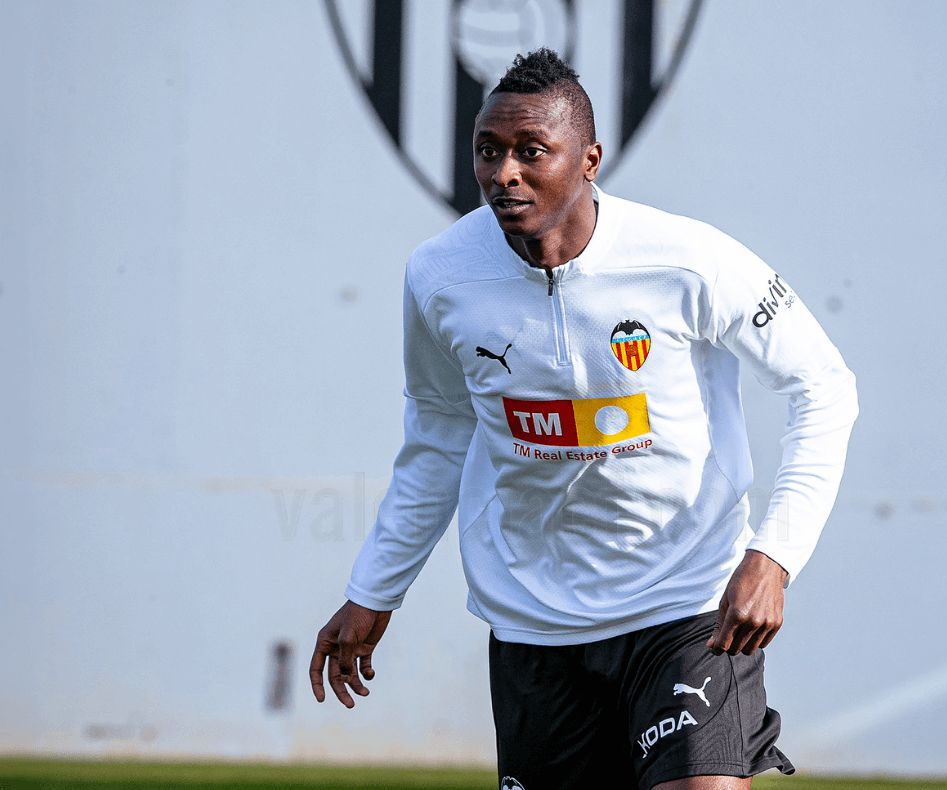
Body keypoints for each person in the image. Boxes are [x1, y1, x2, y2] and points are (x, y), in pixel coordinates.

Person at [310, 49, 858, 789]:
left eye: (531, 152)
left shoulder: (687, 260)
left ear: (590, 159)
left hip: (686, 601)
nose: (504, 173)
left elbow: (823, 386)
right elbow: (439, 434)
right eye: (488, 151)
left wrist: (774, 555)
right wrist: (375, 589)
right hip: (536, 618)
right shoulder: (440, 276)